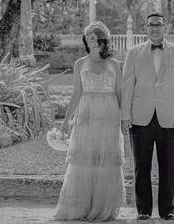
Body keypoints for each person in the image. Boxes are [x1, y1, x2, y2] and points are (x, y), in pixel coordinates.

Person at [121, 12, 174, 221]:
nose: (154, 28)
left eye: (158, 25)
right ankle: (143, 211)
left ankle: (168, 211)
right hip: (139, 117)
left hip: (169, 118)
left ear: (164, 27)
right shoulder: (133, 53)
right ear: (146, 28)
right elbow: (127, 86)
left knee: (168, 167)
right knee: (141, 167)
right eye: (151, 25)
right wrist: (125, 116)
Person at [53, 21, 126, 222]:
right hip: (86, 116)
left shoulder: (114, 64)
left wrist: (124, 118)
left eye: (95, 37)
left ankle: (104, 207)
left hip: (109, 116)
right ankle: (81, 206)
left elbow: (119, 91)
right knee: (85, 159)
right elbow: (77, 92)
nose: (92, 41)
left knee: (105, 159)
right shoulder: (80, 63)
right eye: (89, 38)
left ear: (103, 41)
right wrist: (66, 121)